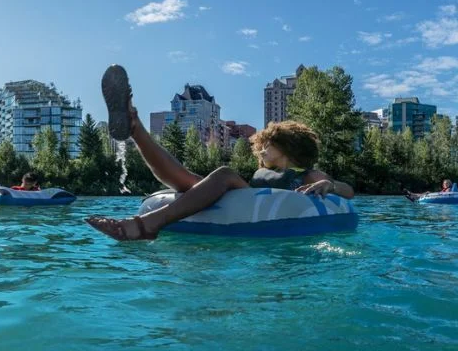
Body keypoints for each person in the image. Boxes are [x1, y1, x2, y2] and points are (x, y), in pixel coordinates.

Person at [85, 64, 355, 241]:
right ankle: (136, 129)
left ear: (287, 147)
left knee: (222, 175)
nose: (260, 150)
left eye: (266, 145)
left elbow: (348, 190)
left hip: (260, 201)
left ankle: (148, 224)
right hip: (245, 196)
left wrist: (328, 184)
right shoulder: (266, 174)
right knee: (188, 182)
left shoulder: (304, 174)